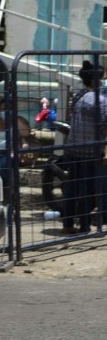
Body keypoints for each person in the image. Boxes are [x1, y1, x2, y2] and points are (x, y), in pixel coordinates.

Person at [62, 60, 107, 234]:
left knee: (72, 187)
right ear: (95, 81)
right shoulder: (99, 99)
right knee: (89, 190)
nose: (103, 82)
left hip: (73, 148)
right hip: (90, 151)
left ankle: (67, 224)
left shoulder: (78, 95)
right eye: (102, 79)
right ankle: (85, 225)